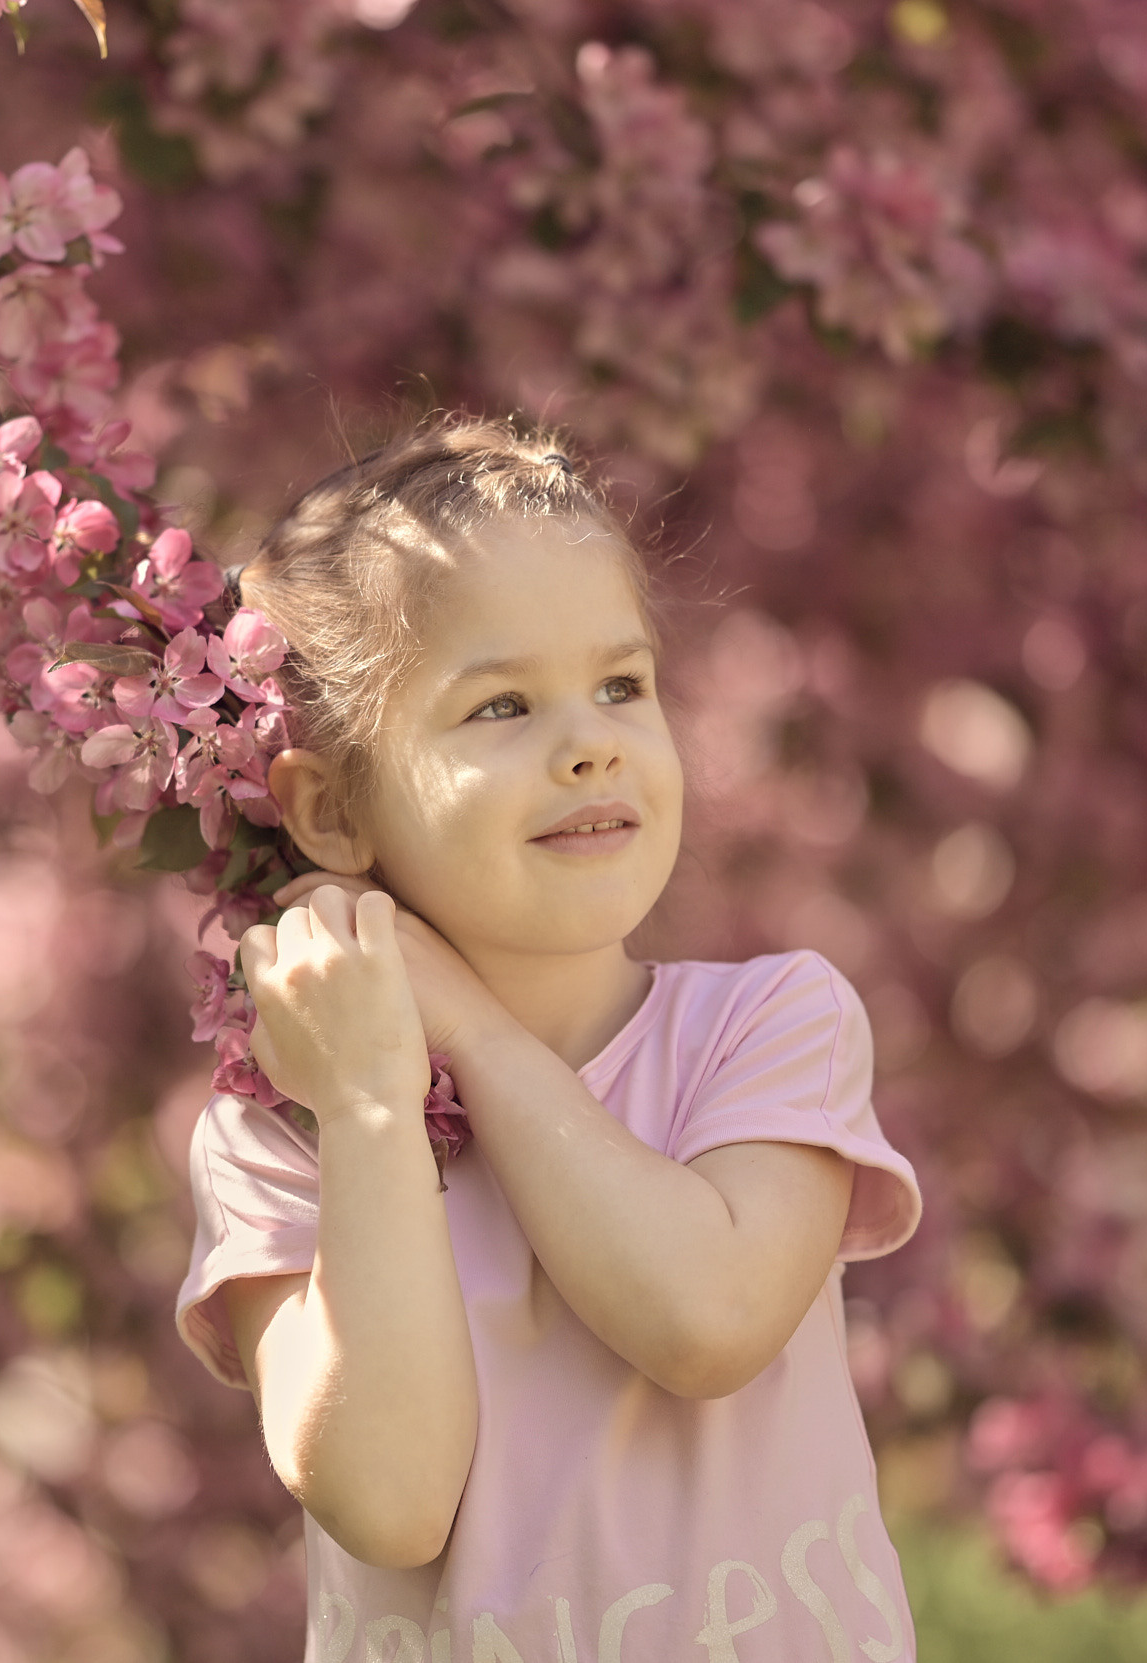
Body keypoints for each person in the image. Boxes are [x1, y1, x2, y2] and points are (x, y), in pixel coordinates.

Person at [173, 416, 923, 1662]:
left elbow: (706, 1320)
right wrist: (368, 1106)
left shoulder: (767, 1027)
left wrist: (458, 1020)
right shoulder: (281, 1135)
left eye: (621, 685)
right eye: (502, 704)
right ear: (330, 808)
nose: (589, 741)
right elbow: (390, 1500)